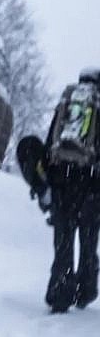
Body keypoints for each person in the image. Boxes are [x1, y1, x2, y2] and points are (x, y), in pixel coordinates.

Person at [37, 69, 100, 313]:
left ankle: (60, 294)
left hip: (62, 182)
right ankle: (85, 291)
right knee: (88, 241)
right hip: (91, 184)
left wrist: (47, 179)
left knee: (63, 242)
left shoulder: (67, 102)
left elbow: (50, 143)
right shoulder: (96, 104)